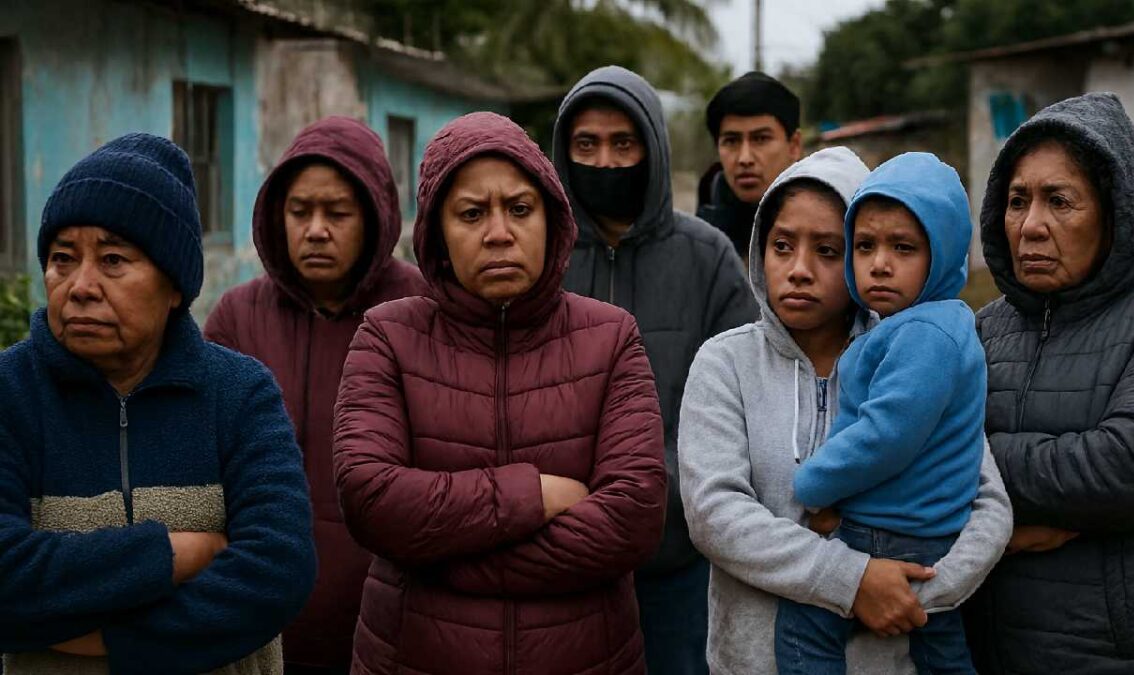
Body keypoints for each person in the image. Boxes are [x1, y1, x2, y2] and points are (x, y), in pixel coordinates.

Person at [332, 112, 667, 675]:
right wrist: (530, 495)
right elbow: (370, 499)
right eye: (471, 213)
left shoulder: (610, 338)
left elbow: (633, 518)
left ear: (551, 219)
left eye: (519, 208)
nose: (498, 232)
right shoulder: (388, 337)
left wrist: (437, 556)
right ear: (436, 231)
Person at [679, 147, 1012, 675]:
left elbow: (989, 503)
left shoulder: (913, 356)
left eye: (828, 251)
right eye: (782, 246)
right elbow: (716, 515)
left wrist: (915, 598)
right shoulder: (726, 362)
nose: (799, 270)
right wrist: (851, 581)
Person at [0, 133, 316, 675]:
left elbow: (277, 573)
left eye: (114, 258)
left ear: (174, 288)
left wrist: (112, 641)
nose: (79, 286)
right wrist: (174, 555)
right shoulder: (11, 391)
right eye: (61, 259)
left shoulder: (240, 394)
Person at [964, 92, 1134, 673]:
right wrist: (1016, 521)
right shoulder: (977, 328)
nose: (1032, 226)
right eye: (1018, 201)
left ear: (1113, 211)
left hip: (1119, 652)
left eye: (1060, 201)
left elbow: (1131, 465)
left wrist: (965, 472)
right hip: (984, 648)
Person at [553, 65, 758, 674]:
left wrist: (645, 499)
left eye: (624, 143)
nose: (606, 162)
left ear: (654, 149)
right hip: (558, 561)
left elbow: (738, 406)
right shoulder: (540, 257)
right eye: (586, 145)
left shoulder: (707, 259)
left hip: (678, 565)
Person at [204, 116, 425, 675]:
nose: (316, 229)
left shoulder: (422, 312)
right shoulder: (238, 317)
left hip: (395, 623)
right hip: (260, 621)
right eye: (300, 212)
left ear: (374, 217)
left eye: (337, 213)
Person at [775, 153, 988, 675]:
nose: (880, 264)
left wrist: (816, 485)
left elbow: (885, 434)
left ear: (942, 256)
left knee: (804, 629)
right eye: (864, 246)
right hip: (928, 530)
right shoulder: (927, 323)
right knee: (942, 649)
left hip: (888, 530)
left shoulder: (925, 334)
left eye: (904, 248)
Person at [697, 71, 804, 263]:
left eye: (761, 139)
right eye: (731, 141)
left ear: (794, 145)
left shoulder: (830, 228)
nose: (744, 158)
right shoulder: (697, 241)